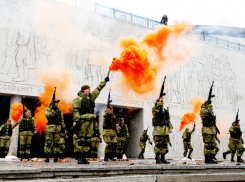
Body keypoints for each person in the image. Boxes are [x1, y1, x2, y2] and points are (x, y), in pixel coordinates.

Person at [73, 75, 109, 164]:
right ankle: (80, 157)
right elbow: (76, 110)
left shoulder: (91, 98)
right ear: (83, 90)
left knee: (87, 140)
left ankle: (84, 157)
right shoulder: (78, 99)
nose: (89, 91)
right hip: (83, 121)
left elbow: (98, 89)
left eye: (89, 89)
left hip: (90, 121)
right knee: (81, 140)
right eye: (87, 89)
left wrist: (104, 81)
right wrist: (77, 120)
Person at [152, 98, 173, 164]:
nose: (161, 102)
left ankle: (163, 158)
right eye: (160, 101)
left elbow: (168, 120)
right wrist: (159, 104)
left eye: (162, 101)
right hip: (158, 130)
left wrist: (170, 127)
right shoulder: (155, 109)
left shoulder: (165, 111)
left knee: (164, 144)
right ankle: (157, 158)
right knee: (158, 144)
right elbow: (155, 112)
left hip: (165, 130)